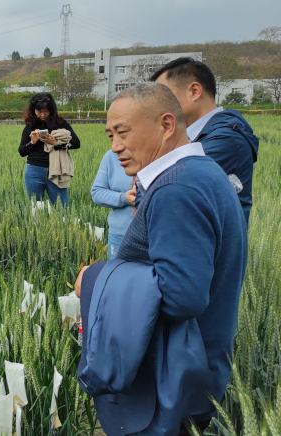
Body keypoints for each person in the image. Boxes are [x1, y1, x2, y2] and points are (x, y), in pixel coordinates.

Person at [75, 83, 247, 436]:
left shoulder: (174, 189)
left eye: (122, 132)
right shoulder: (203, 171)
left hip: (169, 383)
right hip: (195, 368)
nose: (115, 146)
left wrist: (93, 279)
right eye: (109, 135)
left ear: (167, 125)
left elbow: (180, 295)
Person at [150, 57, 259, 226]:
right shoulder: (197, 135)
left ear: (194, 91)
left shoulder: (227, 138)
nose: (157, 107)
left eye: (164, 96)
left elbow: (167, 184)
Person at [18, 92, 80, 206]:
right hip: (34, 170)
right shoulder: (30, 126)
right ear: (33, 111)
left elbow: (76, 143)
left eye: (46, 111)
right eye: (39, 111)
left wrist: (55, 143)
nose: (43, 115)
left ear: (52, 109)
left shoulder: (61, 124)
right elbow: (21, 151)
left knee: (63, 208)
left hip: (57, 170)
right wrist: (33, 142)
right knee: (36, 208)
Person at [90, 150, 136, 259]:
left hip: (157, 236)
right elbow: (97, 192)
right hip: (120, 234)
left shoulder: (161, 152)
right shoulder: (112, 155)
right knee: (117, 274)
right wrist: (124, 198)